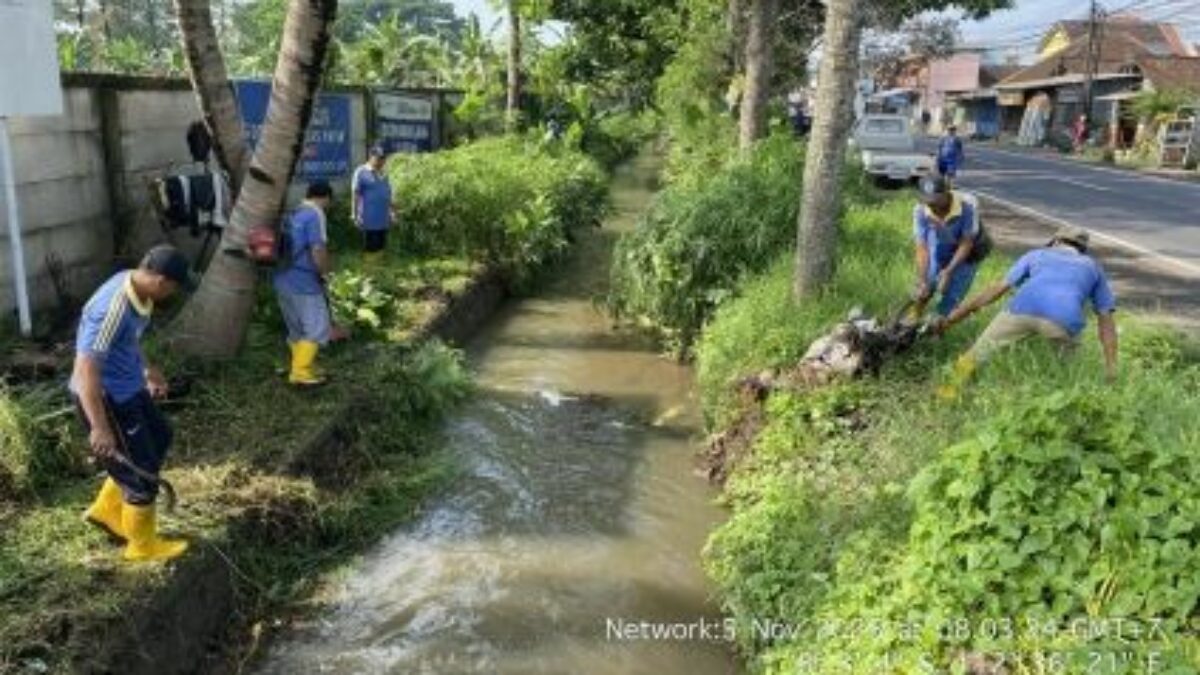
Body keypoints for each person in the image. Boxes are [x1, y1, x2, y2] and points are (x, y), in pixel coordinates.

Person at [73, 245, 196, 562]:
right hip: (107, 398)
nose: (173, 294)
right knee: (140, 473)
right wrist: (99, 427)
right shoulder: (111, 308)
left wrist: (147, 371)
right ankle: (142, 548)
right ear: (160, 280)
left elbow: (128, 341)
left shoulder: (138, 290)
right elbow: (86, 369)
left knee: (160, 438)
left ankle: (107, 511)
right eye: (174, 287)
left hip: (129, 388)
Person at [934, 225, 1118, 398]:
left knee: (972, 357)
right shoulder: (1092, 266)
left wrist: (951, 320)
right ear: (1082, 249)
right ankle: (1066, 406)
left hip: (1021, 310)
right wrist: (1111, 367)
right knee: (1070, 374)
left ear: (1055, 242)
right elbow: (1106, 318)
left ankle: (945, 395)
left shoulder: (1037, 255)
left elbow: (995, 290)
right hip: (1063, 320)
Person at [275, 181, 335, 387]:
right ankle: (300, 372)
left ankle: (302, 365)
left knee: (297, 329)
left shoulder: (293, 212)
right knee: (319, 328)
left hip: (281, 279)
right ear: (325, 197)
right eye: (329, 201)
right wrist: (326, 273)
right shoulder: (315, 214)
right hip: (303, 282)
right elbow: (317, 250)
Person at [910, 175, 991, 319]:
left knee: (952, 296)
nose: (931, 205)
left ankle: (936, 328)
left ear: (946, 193)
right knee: (924, 288)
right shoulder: (920, 210)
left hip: (968, 253)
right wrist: (923, 279)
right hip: (941, 244)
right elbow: (922, 247)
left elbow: (966, 243)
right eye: (928, 201)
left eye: (935, 201)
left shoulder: (967, 206)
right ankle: (912, 320)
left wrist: (948, 272)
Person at [351, 145, 394, 265]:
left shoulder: (384, 173)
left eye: (383, 159)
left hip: (383, 219)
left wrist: (392, 212)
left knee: (381, 246)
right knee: (370, 247)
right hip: (368, 219)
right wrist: (354, 215)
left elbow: (387, 193)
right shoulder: (361, 171)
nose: (381, 161)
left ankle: (379, 272)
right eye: (379, 158)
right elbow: (355, 194)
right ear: (371, 157)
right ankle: (370, 275)